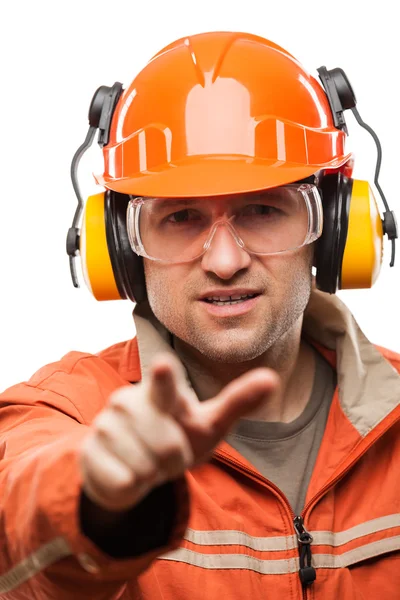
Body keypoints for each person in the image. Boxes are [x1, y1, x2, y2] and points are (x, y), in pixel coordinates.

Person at [0, 30, 399, 600]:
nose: (225, 260)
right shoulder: (64, 415)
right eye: (181, 217)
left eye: (263, 209)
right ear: (120, 247)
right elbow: (15, 542)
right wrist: (94, 500)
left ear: (334, 226)